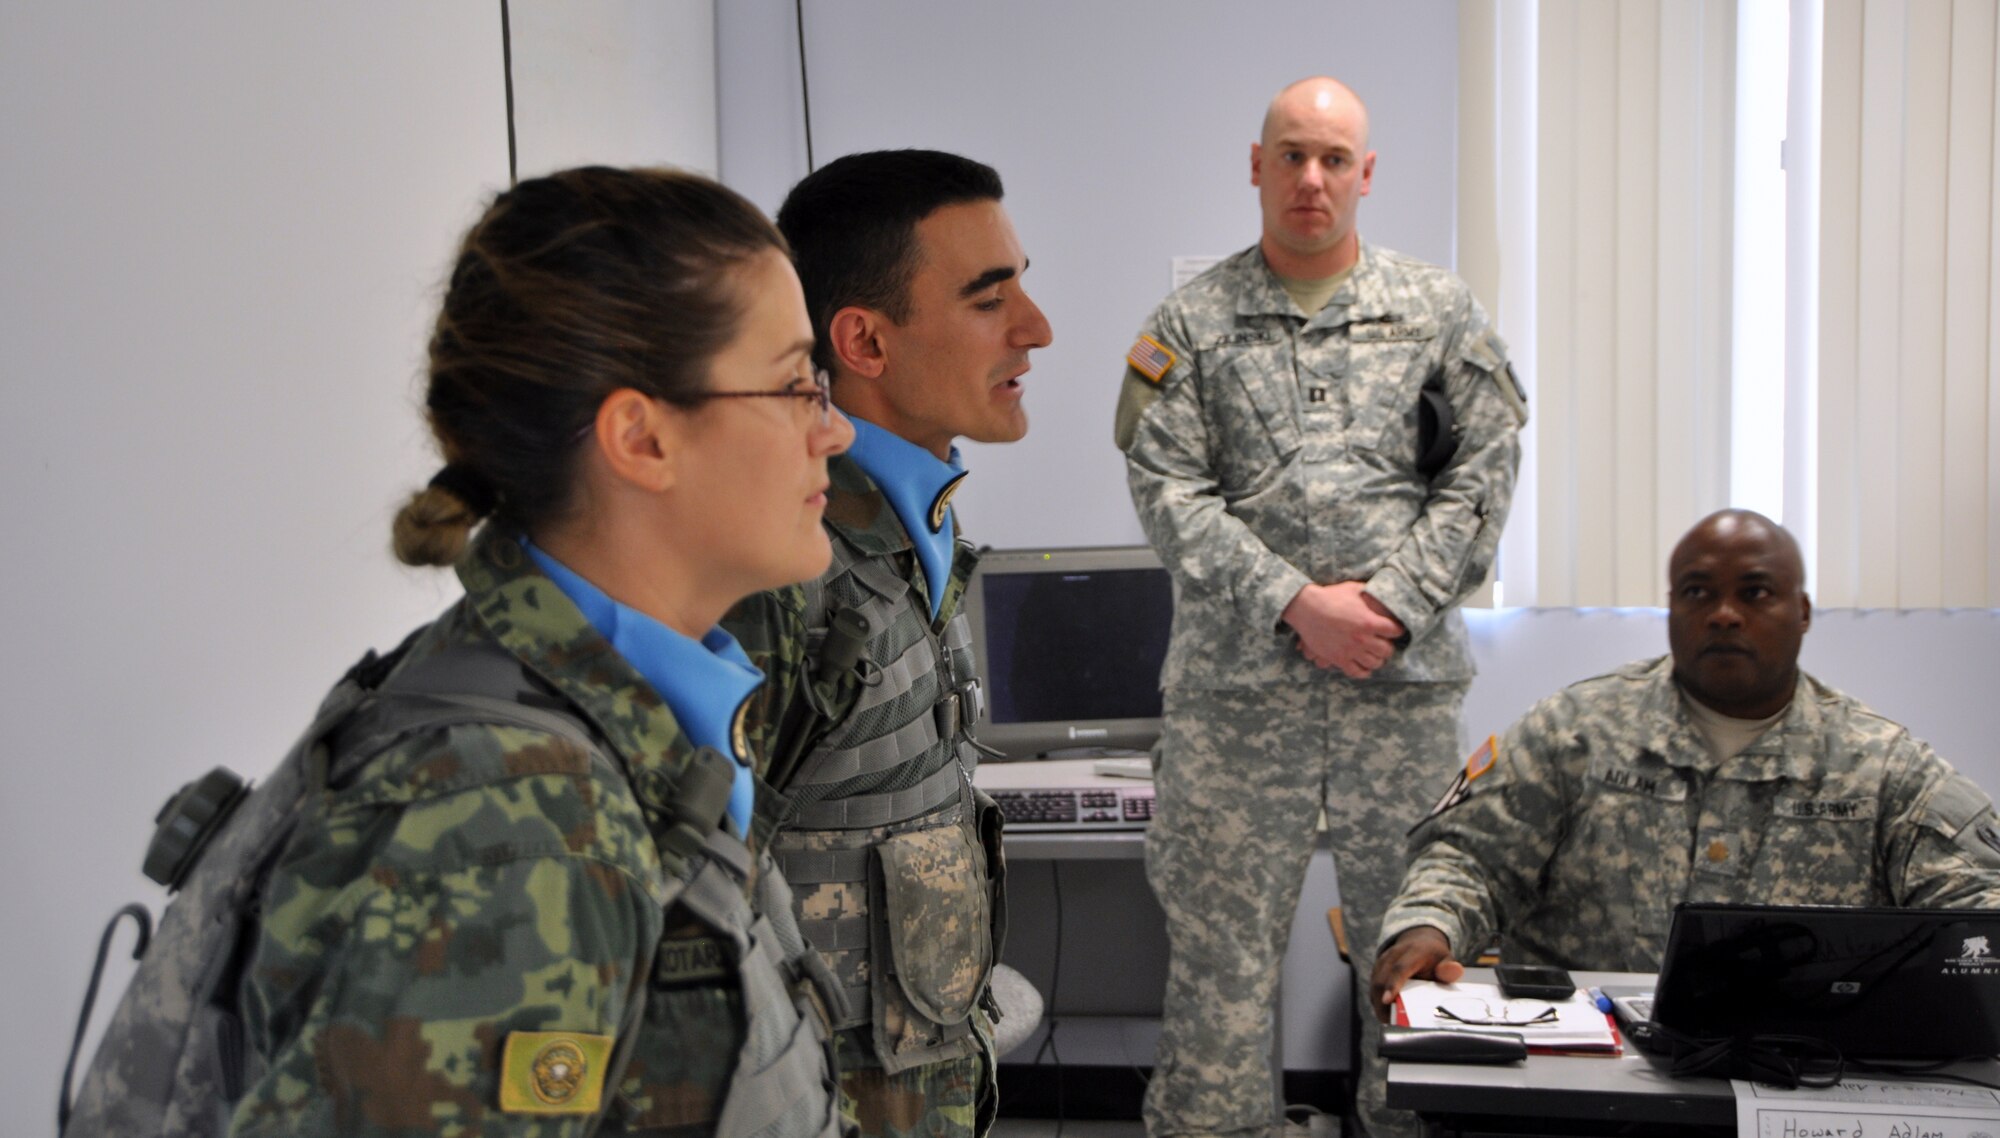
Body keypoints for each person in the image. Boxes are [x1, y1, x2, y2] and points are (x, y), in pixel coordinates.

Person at [230, 167, 856, 1134]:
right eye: (794, 385)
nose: (836, 428)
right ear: (641, 441)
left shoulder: (608, 736)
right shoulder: (510, 827)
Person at [1113, 77, 1527, 1138]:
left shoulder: (1435, 312)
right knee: (1219, 958)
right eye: (1290, 154)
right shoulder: (1190, 323)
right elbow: (1167, 494)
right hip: (1234, 695)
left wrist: (1384, 604)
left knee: (1414, 955)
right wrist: (1295, 601)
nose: (1310, 178)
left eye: (1332, 158)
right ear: (1254, 166)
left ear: (1365, 174)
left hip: (1396, 689)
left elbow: (1484, 469)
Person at [724, 149, 1053, 1138]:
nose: (1036, 329)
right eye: (990, 299)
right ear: (863, 340)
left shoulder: (911, 523)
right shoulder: (787, 570)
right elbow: (701, 899)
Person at [1371, 509, 2000, 1014]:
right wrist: (1431, 927)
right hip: (1587, 1078)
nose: (1724, 614)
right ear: (1672, 609)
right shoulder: (1576, 733)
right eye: (1698, 593)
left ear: (1802, 613)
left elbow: (1977, 908)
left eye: (1755, 593)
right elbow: (1469, 858)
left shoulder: (1880, 765)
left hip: (1798, 1075)